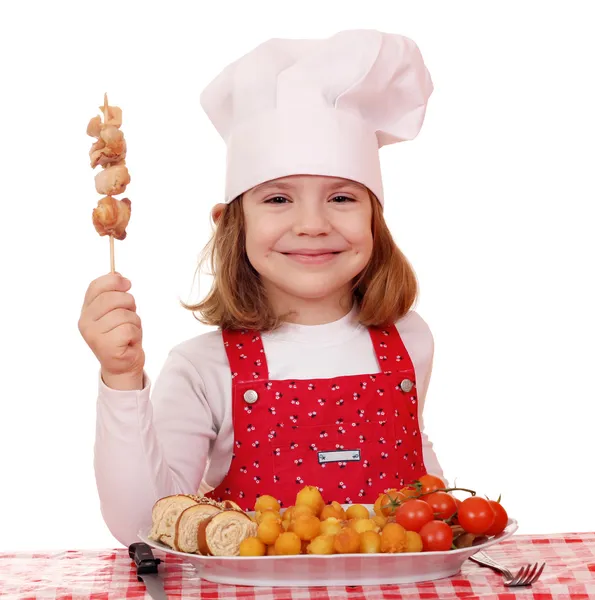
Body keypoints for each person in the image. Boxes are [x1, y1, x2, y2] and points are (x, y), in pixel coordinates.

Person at [79, 29, 445, 547]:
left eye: (342, 198)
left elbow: (418, 469)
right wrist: (121, 378)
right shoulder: (203, 368)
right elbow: (143, 524)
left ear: (375, 219)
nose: (313, 224)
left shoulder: (411, 338)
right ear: (231, 222)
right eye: (277, 200)